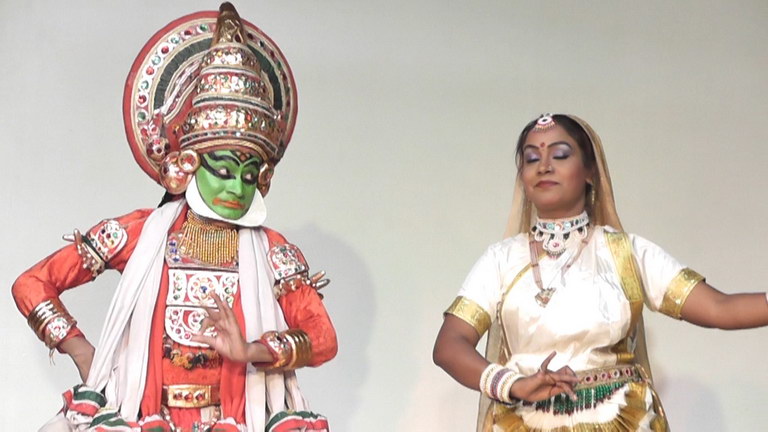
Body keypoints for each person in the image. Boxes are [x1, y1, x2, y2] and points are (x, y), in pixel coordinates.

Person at [12, 3, 337, 431]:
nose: (236, 189)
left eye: (248, 175)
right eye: (223, 171)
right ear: (187, 166)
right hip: (144, 415)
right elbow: (31, 284)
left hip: (237, 418)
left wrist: (251, 351)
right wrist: (83, 350)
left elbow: (322, 337)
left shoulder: (272, 251)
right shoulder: (141, 234)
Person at [433, 113, 768, 431]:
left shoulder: (625, 253)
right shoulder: (501, 259)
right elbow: (450, 345)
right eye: (532, 158)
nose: (544, 166)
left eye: (560, 155)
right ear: (522, 176)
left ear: (591, 171)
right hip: (523, 421)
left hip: (621, 420)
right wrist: (512, 384)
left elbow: (719, 309)